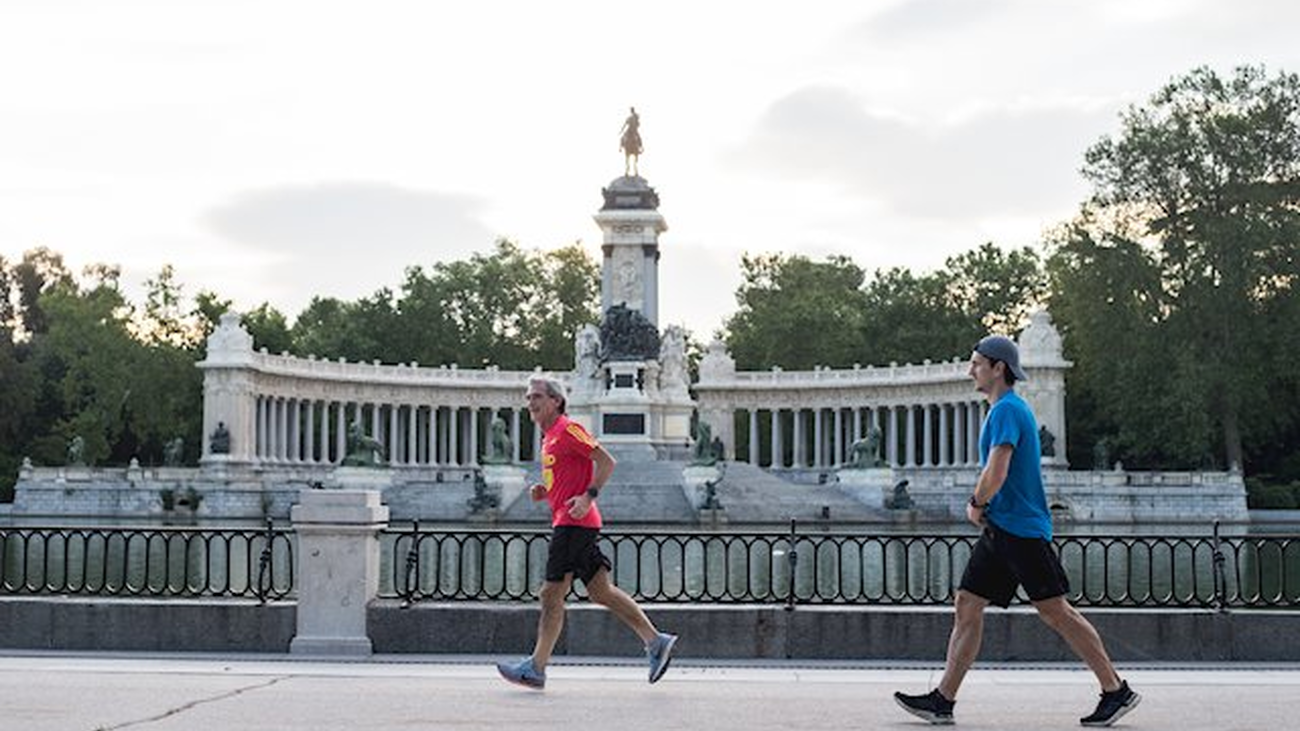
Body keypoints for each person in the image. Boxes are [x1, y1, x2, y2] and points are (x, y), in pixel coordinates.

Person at [894, 335, 1140, 727]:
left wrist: (976, 503)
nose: (970, 370)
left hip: (1020, 530)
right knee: (967, 605)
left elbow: (998, 470)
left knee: (1056, 611)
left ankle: (1115, 690)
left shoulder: (1007, 410)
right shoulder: (1003, 410)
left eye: (977, 363)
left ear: (998, 368)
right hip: (1002, 529)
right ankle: (943, 699)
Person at [497, 375, 678, 690]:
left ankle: (536, 667)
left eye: (537, 396)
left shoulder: (568, 429)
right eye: (528, 397)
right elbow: (570, 476)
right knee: (599, 592)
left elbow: (607, 461)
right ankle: (655, 641)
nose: (531, 403)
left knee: (551, 594)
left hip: (573, 524)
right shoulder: (550, 436)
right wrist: (547, 492)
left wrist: (588, 496)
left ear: (556, 400)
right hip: (574, 522)